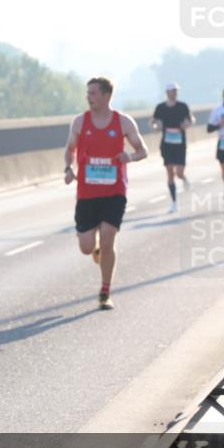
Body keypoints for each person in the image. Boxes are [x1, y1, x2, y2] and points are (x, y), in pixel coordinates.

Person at [64, 77, 148, 310]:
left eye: (93, 93)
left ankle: (105, 291)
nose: (88, 97)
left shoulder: (123, 122)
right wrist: (68, 168)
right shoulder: (80, 122)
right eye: (88, 93)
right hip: (87, 192)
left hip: (114, 190)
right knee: (86, 247)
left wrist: (129, 157)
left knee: (109, 237)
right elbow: (69, 149)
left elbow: (143, 150)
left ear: (106, 95)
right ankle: (96, 248)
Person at [150, 82, 193, 213]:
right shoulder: (160, 107)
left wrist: (187, 124)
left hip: (180, 143)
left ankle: (184, 178)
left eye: (176, 91)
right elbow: (152, 121)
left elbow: (191, 119)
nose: (174, 93)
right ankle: (174, 202)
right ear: (167, 92)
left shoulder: (182, 106)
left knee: (179, 172)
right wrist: (156, 127)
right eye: (172, 91)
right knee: (169, 171)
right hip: (166, 144)